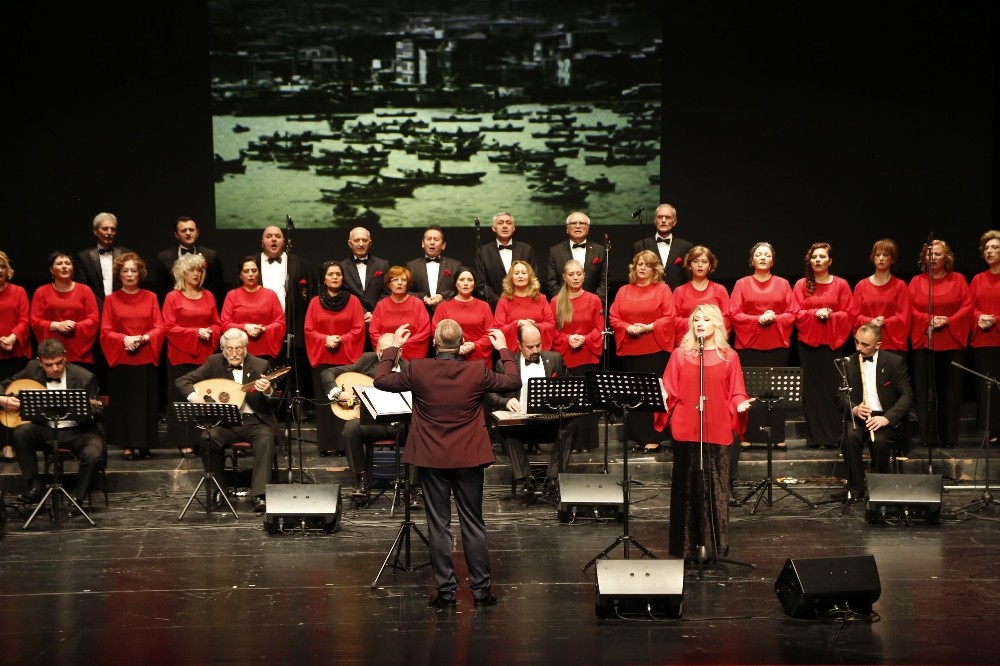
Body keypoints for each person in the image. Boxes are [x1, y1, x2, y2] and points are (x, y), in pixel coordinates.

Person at [374, 320, 520, 608]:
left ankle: (446, 592)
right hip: (469, 458)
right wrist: (503, 347)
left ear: (434, 343)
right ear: (462, 341)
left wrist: (394, 348)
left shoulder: (418, 369)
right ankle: (481, 591)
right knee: (473, 524)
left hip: (432, 458)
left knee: (438, 525)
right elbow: (513, 382)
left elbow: (380, 380)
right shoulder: (477, 370)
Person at [655, 304, 753, 561]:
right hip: (686, 427)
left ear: (717, 324)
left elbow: (736, 391)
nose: (700, 323)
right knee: (685, 492)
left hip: (717, 428)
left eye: (706, 319)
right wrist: (661, 394)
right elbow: (669, 388)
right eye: (696, 319)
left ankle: (713, 548)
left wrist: (740, 404)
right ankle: (685, 548)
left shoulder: (729, 356)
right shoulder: (680, 354)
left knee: (715, 490)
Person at [176, 328, 278, 513]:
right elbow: (182, 381)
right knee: (208, 438)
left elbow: (272, 400)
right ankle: (219, 491)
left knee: (266, 439)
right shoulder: (213, 363)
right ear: (223, 349)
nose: (234, 353)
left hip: (254, 421)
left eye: (238, 348)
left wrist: (268, 390)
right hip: (224, 423)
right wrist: (194, 397)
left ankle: (260, 495)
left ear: (245, 348)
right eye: (229, 349)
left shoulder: (260, 364)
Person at [0, 338, 105, 507]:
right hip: (45, 428)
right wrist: (2, 399)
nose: (55, 369)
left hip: (79, 431)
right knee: (21, 433)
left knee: (93, 454)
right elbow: (3, 386)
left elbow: (99, 411)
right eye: (49, 365)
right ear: (39, 362)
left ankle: (77, 498)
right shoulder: (31, 369)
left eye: (59, 363)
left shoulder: (85, 377)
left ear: (65, 357)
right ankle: (34, 487)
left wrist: (83, 410)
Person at [487, 322, 573, 498]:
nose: (535, 350)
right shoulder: (505, 364)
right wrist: (505, 401)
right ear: (519, 345)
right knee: (505, 430)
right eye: (530, 347)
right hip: (520, 425)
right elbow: (490, 395)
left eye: (538, 345)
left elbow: (569, 388)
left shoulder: (555, 359)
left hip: (548, 423)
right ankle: (526, 479)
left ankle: (553, 479)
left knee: (570, 425)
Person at [321, 333, 409, 498]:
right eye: (383, 351)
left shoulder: (409, 369)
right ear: (377, 351)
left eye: (391, 352)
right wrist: (337, 393)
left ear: (400, 352)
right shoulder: (367, 361)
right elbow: (328, 372)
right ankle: (361, 480)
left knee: (419, 430)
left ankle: (412, 488)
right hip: (376, 425)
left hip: (403, 426)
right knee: (351, 428)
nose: (386, 356)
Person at [836, 324, 914, 502]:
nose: (858, 348)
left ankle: (879, 488)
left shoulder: (894, 362)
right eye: (856, 342)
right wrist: (854, 408)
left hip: (883, 417)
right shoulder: (848, 363)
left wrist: (886, 418)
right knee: (850, 437)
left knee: (879, 442)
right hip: (860, 415)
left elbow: (907, 396)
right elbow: (840, 397)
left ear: (878, 345)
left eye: (865, 345)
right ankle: (855, 488)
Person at [729, 242, 795, 451]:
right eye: (759, 254)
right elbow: (734, 313)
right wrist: (758, 319)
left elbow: (792, 312)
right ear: (752, 260)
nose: (763, 257)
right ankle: (747, 435)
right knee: (749, 391)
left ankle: (777, 436)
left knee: (776, 391)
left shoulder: (783, 284)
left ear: (773, 260)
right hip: (749, 343)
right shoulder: (741, 283)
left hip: (776, 342)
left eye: (767, 254)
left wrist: (774, 317)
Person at [608, 249, 676, 452]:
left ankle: (654, 437)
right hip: (632, 350)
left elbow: (669, 317)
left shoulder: (663, 289)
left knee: (653, 395)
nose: (643, 268)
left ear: (654, 269)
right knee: (634, 395)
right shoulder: (624, 291)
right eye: (639, 264)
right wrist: (627, 327)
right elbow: (613, 316)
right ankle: (638, 437)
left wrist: (648, 327)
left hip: (655, 350)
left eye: (647, 264)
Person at [908, 238, 973, 449]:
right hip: (925, 341)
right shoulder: (917, 282)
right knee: (926, 390)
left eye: (937, 254)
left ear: (947, 257)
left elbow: (967, 306)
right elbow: (909, 308)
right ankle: (927, 436)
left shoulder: (959, 279)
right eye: (929, 254)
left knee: (950, 391)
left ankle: (948, 436)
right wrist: (928, 319)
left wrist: (949, 320)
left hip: (951, 342)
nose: (933, 257)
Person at [792, 242, 857, 449]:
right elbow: (796, 312)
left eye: (822, 257)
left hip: (832, 342)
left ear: (830, 261)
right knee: (812, 391)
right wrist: (815, 313)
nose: (818, 260)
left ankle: (835, 436)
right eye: (814, 257)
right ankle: (816, 438)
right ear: (809, 261)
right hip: (808, 345)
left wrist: (829, 314)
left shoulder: (841, 284)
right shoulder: (801, 284)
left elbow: (850, 313)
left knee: (834, 388)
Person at [100, 252, 164, 460]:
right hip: (122, 358)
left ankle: (144, 444)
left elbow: (159, 327)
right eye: (125, 271)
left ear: (140, 273)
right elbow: (106, 330)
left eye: (133, 271)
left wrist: (144, 338)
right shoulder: (111, 300)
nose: (129, 275)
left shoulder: (151, 297)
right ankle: (127, 444)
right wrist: (124, 339)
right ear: (120, 274)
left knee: (145, 404)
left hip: (145, 356)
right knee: (124, 405)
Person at [162, 252, 222, 457]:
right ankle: (184, 440)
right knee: (181, 398)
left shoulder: (209, 296)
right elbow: (169, 327)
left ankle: (202, 438)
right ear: (182, 272)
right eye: (192, 270)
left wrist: (210, 332)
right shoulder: (173, 297)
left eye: (200, 270)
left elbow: (217, 323)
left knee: (204, 397)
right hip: (181, 354)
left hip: (204, 355)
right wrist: (196, 333)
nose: (196, 273)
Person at [304, 261, 365, 456]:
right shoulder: (314, 302)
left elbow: (358, 328)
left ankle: (345, 445)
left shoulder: (353, 301)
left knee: (346, 403)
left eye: (338, 274)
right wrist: (325, 339)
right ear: (324, 278)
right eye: (331, 274)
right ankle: (327, 445)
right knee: (325, 404)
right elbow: (309, 330)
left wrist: (342, 339)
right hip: (323, 357)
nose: (335, 277)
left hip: (345, 359)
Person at [551, 258, 604, 452]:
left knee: (587, 399)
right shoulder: (556, 301)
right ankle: (570, 444)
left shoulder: (594, 299)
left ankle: (587, 443)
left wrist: (585, 339)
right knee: (570, 400)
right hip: (567, 357)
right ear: (564, 277)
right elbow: (553, 331)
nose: (575, 277)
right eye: (571, 274)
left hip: (587, 355)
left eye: (579, 274)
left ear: (584, 275)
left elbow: (599, 328)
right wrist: (567, 339)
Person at [259, 224, 314, 404]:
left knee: (294, 368)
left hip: (293, 325)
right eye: (269, 236)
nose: (273, 239)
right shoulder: (251, 263)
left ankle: (296, 406)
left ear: (285, 241)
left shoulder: (301, 264)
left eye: (277, 236)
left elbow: (310, 297)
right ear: (262, 241)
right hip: (262, 329)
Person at [29, 250, 100, 370]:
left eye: (67, 263)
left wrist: (73, 326)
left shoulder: (85, 290)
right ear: (51, 270)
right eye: (59, 263)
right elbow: (35, 321)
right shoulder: (41, 292)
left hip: (80, 353)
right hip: (51, 355)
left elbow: (93, 320)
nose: (64, 266)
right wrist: (57, 325)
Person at [852, 239, 912, 358]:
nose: (881, 258)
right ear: (873, 258)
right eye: (877, 255)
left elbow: (904, 318)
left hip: (892, 347)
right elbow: (854, 317)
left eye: (885, 255)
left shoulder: (900, 286)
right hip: (867, 346)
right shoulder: (861, 286)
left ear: (892, 259)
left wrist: (883, 322)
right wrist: (872, 321)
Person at [221, 256, 286, 362]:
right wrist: (245, 327)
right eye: (246, 271)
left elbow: (280, 323)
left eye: (254, 270)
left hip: (266, 352)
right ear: (240, 275)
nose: (250, 274)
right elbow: (225, 324)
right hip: (239, 352)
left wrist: (263, 329)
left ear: (259, 273)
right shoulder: (232, 295)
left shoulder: (270, 295)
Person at [0, 251, 31, 463]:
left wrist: (12, 336)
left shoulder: (18, 291)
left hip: (15, 351)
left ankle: (10, 444)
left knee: (13, 400)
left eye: (1, 266)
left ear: (7, 270)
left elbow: (24, 319)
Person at [474, 211, 540, 309]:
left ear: (513, 228)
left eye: (508, 223)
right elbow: (481, 284)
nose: (505, 226)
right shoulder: (483, 251)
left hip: (524, 305)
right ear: (493, 228)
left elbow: (534, 278)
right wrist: (500, 303)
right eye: (500, 223)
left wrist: (521, 300)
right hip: (495, 307)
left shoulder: (527, 249)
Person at [971, 230, 1000, 443]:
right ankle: (989, 430)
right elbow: (969, 307)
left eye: (995, 248)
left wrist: (995, 319)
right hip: (984, 339)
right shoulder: (978, 279)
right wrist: (981, 316)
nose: (989, 252)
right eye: (986, 248)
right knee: (987, 386)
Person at [156, 215, 225, 303]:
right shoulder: (164, 257)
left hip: (203, 306)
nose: (188, 233)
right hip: (175, 306)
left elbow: (217, 288)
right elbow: (161, 289)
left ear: (197, 232)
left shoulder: (211, 255)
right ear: (176, 235)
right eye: (184, 230)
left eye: (191, 230)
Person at [432, 267, 495, 363]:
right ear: (455, 283)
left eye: (470, 280)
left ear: (474, 284)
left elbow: (490, 334)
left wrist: (474, 346)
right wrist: (455, 348)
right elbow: (436, 332)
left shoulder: (484, 306)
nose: (466, 283)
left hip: (478, 361)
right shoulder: (443, 307)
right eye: (462, 280)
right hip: (450, 360)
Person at [368, 266, 432, 361]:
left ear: (408, 284)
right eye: (395, 280)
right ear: (389, 284)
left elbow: (425, 331)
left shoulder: (417, 303)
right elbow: (374, 332)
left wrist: (402, 344)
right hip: (387, 356)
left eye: (403, 280)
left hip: (412, 358)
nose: (399, 283)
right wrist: (391, 346)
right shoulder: (381, 305)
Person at [493, 260, 555, 354]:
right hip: (514, 355)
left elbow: (551, 324)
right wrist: (517, 323)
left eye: (524, 273)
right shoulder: (503, 301)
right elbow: (498, 329)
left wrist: (534, 326)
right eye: (516, 273)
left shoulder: (541, 298)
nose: (520, 276)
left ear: (529, 277)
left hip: (539, 351)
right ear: (511, 278)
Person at [545, 211, 607, 306]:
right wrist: (564, 301)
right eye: (573, 223)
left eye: (582, 223)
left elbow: (605, 281)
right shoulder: (555, 251)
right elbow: (551, 282)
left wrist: (595, 301)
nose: (578, 226)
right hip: (564, 307)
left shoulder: (600, 250)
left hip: (592, 306)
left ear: (588, 229)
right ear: (567, 229)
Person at [338, 226, 389, 339]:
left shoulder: (382, 264)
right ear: (350, 243)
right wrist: (363, 312)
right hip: (352, 322)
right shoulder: (341, 267)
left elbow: (386, 292)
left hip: (379, 322)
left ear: (370, 243)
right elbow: (343, 293)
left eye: (364, 240)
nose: (361, 244)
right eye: (356, 240)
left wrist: (375, 314)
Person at [75, 212, 132, 311]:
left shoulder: (125, 253)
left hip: (122, 307)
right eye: (105, 229)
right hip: (94, 309)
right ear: (95, 231)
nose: (109, 232)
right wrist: (103, 307)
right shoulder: (84, 256)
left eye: (113, 229)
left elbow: (130, 283)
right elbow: (84, 287)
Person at [672, 245, 730, 343]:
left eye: (704, 262)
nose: (700, 265)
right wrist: (698, 323)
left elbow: (727, 320)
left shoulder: (720, 290)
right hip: (687, 342)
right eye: (695, 261)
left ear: (710, 265)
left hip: (714, 343)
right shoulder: (679, 291)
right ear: (689, 265)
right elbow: (673, 320)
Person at [631, 203, 693, 290]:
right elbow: (634, 276)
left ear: (674, 222)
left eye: (667, 217)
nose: (663, 220)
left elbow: (690, 277)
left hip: (676, 298)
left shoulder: (686, 247)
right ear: (655, 221)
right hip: (649, 297)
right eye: (660, 217)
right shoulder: (640, 246)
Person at [406, 224, 462, 318]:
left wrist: (442, 296)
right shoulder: (412, 266)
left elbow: (459, 291)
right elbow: (406, 291)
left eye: (436, 239)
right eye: (428, 239)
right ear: (423, 243)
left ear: (443, 245)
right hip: (419, 315)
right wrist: (423, 297)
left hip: (448, 316)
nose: (432, 242)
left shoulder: (455, 265)